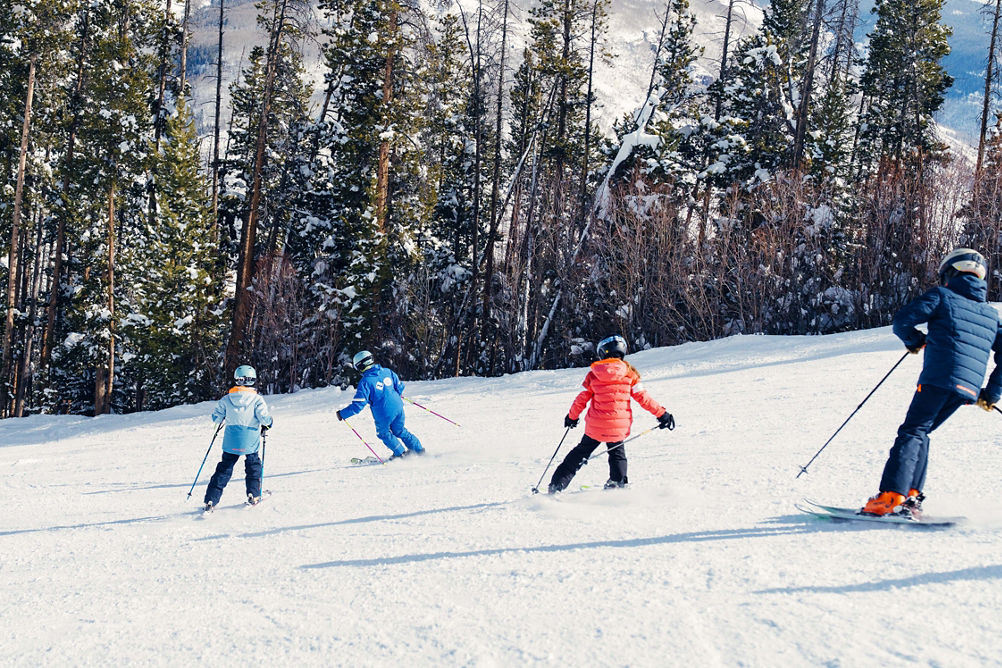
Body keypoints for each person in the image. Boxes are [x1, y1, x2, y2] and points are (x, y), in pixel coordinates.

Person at [861, 248, 1002, 517]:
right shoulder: (990, 315)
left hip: (939, 380)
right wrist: (991, 393)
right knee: (921, 431)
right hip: (968, 390)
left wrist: (915, 341)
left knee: (912, 431)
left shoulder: (942, 296)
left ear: (950, 272)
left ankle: (891, 497)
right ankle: (912, 498)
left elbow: (903, 320)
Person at [548, 335, 675, 494]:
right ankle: (617, 482)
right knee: (617, 454)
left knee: (579, 453)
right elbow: (643, 398)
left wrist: (572, 417)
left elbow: (581, 399)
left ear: (602, 353)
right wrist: (662, 414)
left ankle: (557, 484)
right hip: (618, 427)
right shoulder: (630, 374)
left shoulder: (593, 374)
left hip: (596, 426)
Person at [204, 365, 273, 511]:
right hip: (250, 440)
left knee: (224, 468)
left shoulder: (226, 399)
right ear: (253, 380)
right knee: (253, 465)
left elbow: (216, 417)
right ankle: (253, 494)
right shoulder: (257, 400)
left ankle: (211, 500)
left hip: (231, 440)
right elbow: (265, 419)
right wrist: (269, 423)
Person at [336, 350, 425, 459]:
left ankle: (400, 454)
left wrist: (342, 414)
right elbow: (400, 386)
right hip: (398, 407)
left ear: (360, 366)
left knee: (383, 433)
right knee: (399, 430)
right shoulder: (387, 371)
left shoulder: (365, 382)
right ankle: (419, 450)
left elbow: (358, 405)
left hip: (383, 411)